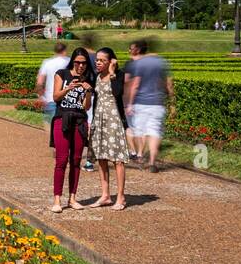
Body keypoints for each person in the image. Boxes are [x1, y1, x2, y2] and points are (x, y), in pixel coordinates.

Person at [50, 49, 92, 212]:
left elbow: (86, 107)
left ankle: (72, 198)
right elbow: (55, 97)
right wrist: (69, 88)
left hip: (80, 121)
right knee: (61, 160)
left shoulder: (87, 80)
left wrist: (88, 91)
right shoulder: (62, 74)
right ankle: (57, 200)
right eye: (77, 62)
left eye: (83, 63)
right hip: (63, 119)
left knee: (76, 161)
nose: (80, 66)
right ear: (73, 61)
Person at [125, 38, 175, 173]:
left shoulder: (140, 63)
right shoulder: (162, 62)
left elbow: (135, 85)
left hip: (140, 102)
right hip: (158, 102)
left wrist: (129, 103)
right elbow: (168, 83)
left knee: (138, 131)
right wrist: (172, 101)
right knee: (154, 132)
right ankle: (152, 161)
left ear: (140, 49)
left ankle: (140, 156)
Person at [90, 47, 130, 210]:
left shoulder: (118, 75)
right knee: (101, 157)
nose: (98, 62)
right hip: (99, 120)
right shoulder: (97, 77)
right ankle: (105, 195)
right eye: (97, 60)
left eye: (102, 60)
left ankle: (121, 196)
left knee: (117, 159)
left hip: (113, 120)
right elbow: (96, 101)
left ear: (111, 61)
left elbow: (117, 92)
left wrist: (113, 72)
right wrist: (92, 121)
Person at [35, 42, 69, 130]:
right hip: (66, 99)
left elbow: (39, 82)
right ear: (64, 51)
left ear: (55, 51)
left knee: (52, 128)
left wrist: (41, 97)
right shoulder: (69, 62)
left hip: (50, 99)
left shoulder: (47, 62)